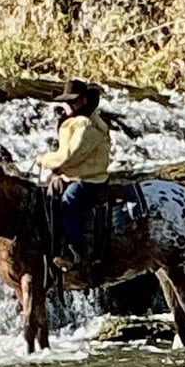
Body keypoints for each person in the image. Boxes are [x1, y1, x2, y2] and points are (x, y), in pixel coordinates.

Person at [36, 79, 112, 271]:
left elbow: (70, 155)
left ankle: (75, 251)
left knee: (70, 200)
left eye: (73, 101)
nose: (69, 105)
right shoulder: (79, 121)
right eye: (67, 101)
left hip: (90, 180)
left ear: (84, 100)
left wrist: (44, 160)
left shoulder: (86, 125)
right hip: (76, 176)